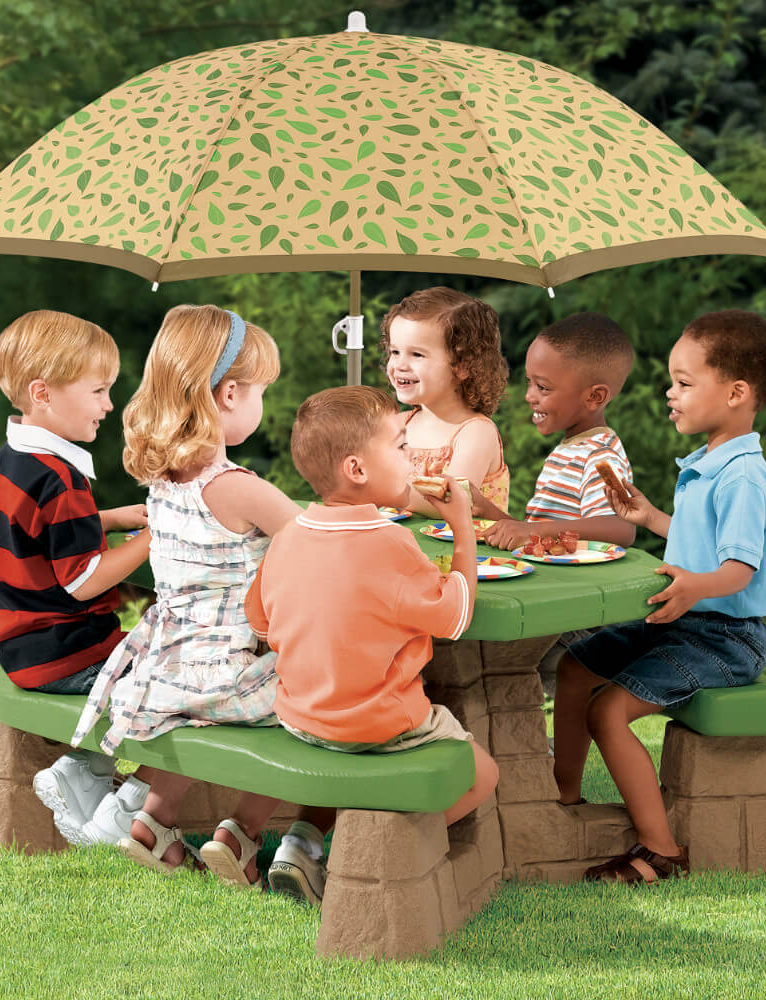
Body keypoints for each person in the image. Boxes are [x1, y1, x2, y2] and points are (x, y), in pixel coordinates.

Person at [69, 305, 333, 896]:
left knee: (202, 710)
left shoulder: (162, 481)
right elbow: (322, 546)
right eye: (263, 390)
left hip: (171, 667)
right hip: (232, 673)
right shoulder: (238, 486)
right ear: (231, 394)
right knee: (315, 701)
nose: (264, 402)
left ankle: (154, 824)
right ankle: (242, 833)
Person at [558, 309, 766, 884]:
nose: (670, 393)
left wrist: (693, 587)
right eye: (672, 381)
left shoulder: (741, 476)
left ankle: (661, 851)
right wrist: (651, 517)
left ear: (736, 393)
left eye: (685, 383)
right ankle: (562, 796)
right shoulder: (711, 462)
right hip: (682, 619)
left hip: (726, 637)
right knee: (574, 666)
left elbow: (738, 568)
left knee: (609, 710)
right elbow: (701, 541)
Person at [245, 386, 500, 830]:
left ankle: (302, 843)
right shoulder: (391, 542)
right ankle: (390, 849)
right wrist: (462, 529)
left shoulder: (286, 536)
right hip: (379, 727)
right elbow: (455, 618)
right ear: (357, 469)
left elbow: (261, 623)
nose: (412, 460)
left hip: (299, 716)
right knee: (484, 775)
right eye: (402, 446)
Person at [0, 309, 151, 845]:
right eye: (98, 390)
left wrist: (113, 518)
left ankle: (89, 774)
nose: (108, 404)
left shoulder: (11, 461)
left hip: (23, 650)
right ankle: (109, 791)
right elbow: (85, 580)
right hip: (70, 654)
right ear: (43, 393)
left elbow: (37, 532)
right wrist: (156, 538)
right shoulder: (61, 478)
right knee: (183, 672)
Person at [473, 312, 637, 551]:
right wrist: (487, 510)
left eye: (543, 387)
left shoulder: (599, 455)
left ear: (594, 397)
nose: (529, 396)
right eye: (529, 382)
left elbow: (621, 528)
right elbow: (540, 536)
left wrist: (532, 531)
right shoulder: (570, 449)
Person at [381, 287, 510, 514]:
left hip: (466, 548)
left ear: (463, 365)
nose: (400, 365)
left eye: (417, 354)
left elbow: (452, 501)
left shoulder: (475, 433)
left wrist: (377, 490)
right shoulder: (398, 425)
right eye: (395, 352)